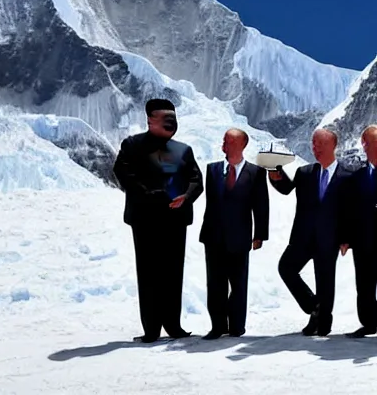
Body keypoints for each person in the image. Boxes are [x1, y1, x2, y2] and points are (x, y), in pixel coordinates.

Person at [113, 98, 204, 343]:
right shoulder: (132, 145)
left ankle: (173, 325)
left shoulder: (184, 150)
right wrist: (149, 195)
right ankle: (151, 329)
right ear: (150, 119)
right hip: (145, 218)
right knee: (149, 273)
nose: (171, 122)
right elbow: (123, 173)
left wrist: (186, 197)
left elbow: (197, 180)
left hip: (175, 219)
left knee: (173, 273)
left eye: (173, 118)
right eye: (165, 117)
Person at [269, 128, 351, 337]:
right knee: (286, 268)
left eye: (320, 144)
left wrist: (346, 238)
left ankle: (323, 322)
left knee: (325, 281)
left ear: (333, 146)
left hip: (329, 239)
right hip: (302, 237)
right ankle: (315, 307)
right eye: (313, 144)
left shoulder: (347, 176)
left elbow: (351, 211)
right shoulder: (304, 173)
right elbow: (286, 187)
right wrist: (276, 177)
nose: (315, 148)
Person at [199, 128, 269, 339]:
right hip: (214, 237)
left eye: (228, 141)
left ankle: (237, 326)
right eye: (224, 140)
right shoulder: (212, 171)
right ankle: (218, 326)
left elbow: (261, 205)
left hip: (240, 237)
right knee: (215, 284)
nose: (224, 144)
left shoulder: (256, 173)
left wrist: (260, 235)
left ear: (241, 145)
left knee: (238, 284)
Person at [344, 125, 377, 338]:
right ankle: (369, 323)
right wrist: (346, 238)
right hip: (363, 239)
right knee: (364, 284)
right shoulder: (357, 178)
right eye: (370, 142)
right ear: (364, 145)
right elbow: (349, 211)